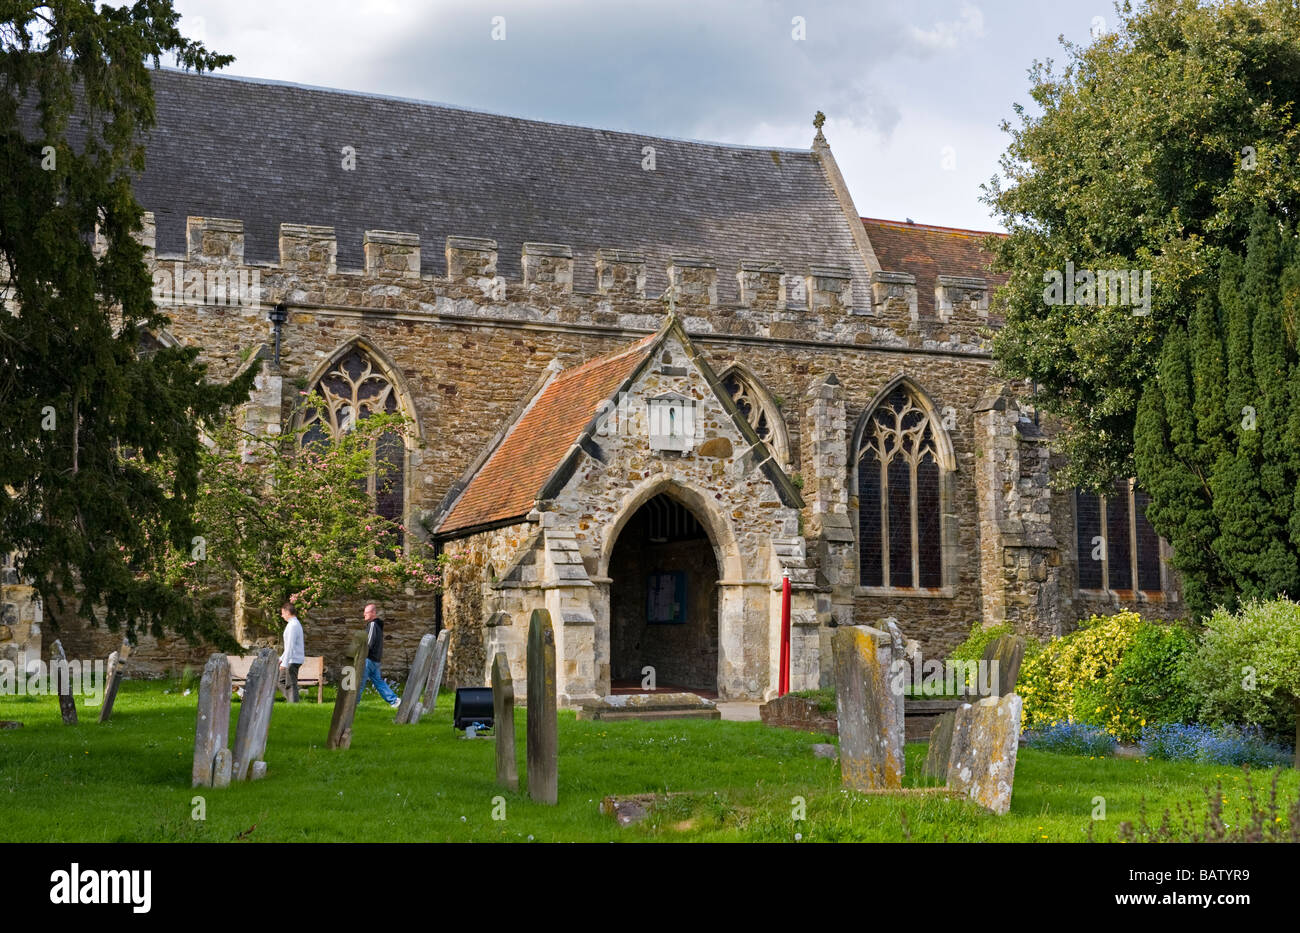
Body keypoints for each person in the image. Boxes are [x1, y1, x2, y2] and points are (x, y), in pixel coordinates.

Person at [357, 602, 399, 708]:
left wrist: (361, 656)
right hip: (375, 660)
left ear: (373, 613)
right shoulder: (378, 625)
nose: (364, 615)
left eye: (366, 613)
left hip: (368, 660)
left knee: (359, 682)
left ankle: (352, 704)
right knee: (379, 682)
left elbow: (369, 643)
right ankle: (395, 701)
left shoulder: (372, 624)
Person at [279, 601, 305, 703]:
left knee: (290, 684)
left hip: (293, 660)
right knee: (280, 681)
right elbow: (288, 647)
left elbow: (290, 646)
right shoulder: (293, 624)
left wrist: (284, 664)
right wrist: (281, 659)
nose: (282, 616)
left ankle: (294, 704)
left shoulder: (293, 625)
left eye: (282, 613)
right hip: (291, 659)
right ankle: (292, 701)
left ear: (287, 612)